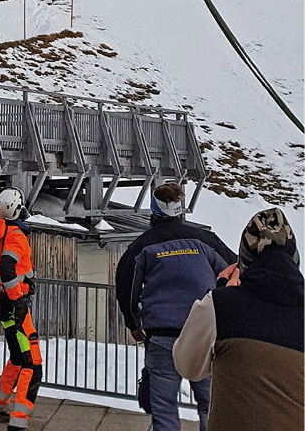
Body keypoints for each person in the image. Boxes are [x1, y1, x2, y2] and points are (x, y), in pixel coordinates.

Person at [115, 182, 236, 431]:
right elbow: (234, 270)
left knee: (164, 409)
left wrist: (133, 322)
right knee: (210, 407)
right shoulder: (205, 240)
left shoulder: (142, 247)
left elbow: (126, 285)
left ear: (153, 210)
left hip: (162, 338)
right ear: (181, 210)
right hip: (203, 337)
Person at [173, 207, 304, 431]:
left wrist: (221, 292)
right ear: (294, 258)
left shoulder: (220, 305)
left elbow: (187, 366)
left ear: (244, 259)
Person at [0, 187, 42, 431]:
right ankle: (18, 424)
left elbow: (6, 269)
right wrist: (19, 299)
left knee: (18, 357)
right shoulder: (16, 235)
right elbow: (9, 268)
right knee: (32, 364)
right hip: (15, 307)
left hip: (2, 303)